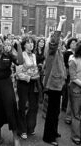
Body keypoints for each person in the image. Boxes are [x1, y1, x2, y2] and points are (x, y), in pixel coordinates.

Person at [43, 15, 67, 146]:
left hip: (59, 84)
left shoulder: (58, 52)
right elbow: (55, 40)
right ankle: (48, 136)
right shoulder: (51, 50)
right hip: (53, 85)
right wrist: (60, 24)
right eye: (59, 40)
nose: (61, 41)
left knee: (56, 111)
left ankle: (54, 131)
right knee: (52, 111)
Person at [16, 36, 39, 139]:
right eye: (28, 43)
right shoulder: (20, 55)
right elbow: (18, 73)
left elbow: (35, 69)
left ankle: (30, 127)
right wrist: (29, 77)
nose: (31, 45)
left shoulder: (34, 55)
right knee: (22, 106)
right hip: (23, 84)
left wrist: (36, 74)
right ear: (24, 45)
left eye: (32, 43)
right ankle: (22, 130)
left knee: (33, 106)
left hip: (33, 84)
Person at [69, 41, 81, 145]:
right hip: (76, 89)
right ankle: (76, 136)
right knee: (76, 114)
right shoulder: (73, 60)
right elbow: (73, 77)